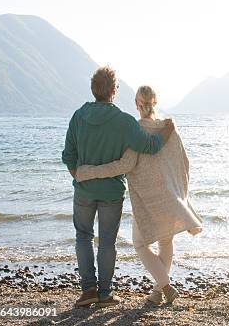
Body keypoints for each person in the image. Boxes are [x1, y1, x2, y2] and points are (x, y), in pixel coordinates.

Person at [75, 85, 202, 305]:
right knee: (165, 244)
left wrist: (89, 172)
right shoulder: (170, 129)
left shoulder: (135, 131)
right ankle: (157, 292)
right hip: (171, 199)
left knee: (140, 245)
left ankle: (165, 285)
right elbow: (184, 165)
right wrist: (182, 196)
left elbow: (124, 165)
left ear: (136, 104)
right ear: (156, 102)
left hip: (147, 201)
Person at [62, 66, 175, 308]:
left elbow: (68, 154)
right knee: (106, 243)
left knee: (83, 237)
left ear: (94, 89)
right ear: (114, 90)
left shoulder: (78, 116)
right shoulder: (123, 121)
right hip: (111, 193)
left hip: (83, 190)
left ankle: (88, 290)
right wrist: (166, 132)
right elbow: (149, 145)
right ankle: (105, 294)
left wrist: (79, 174)